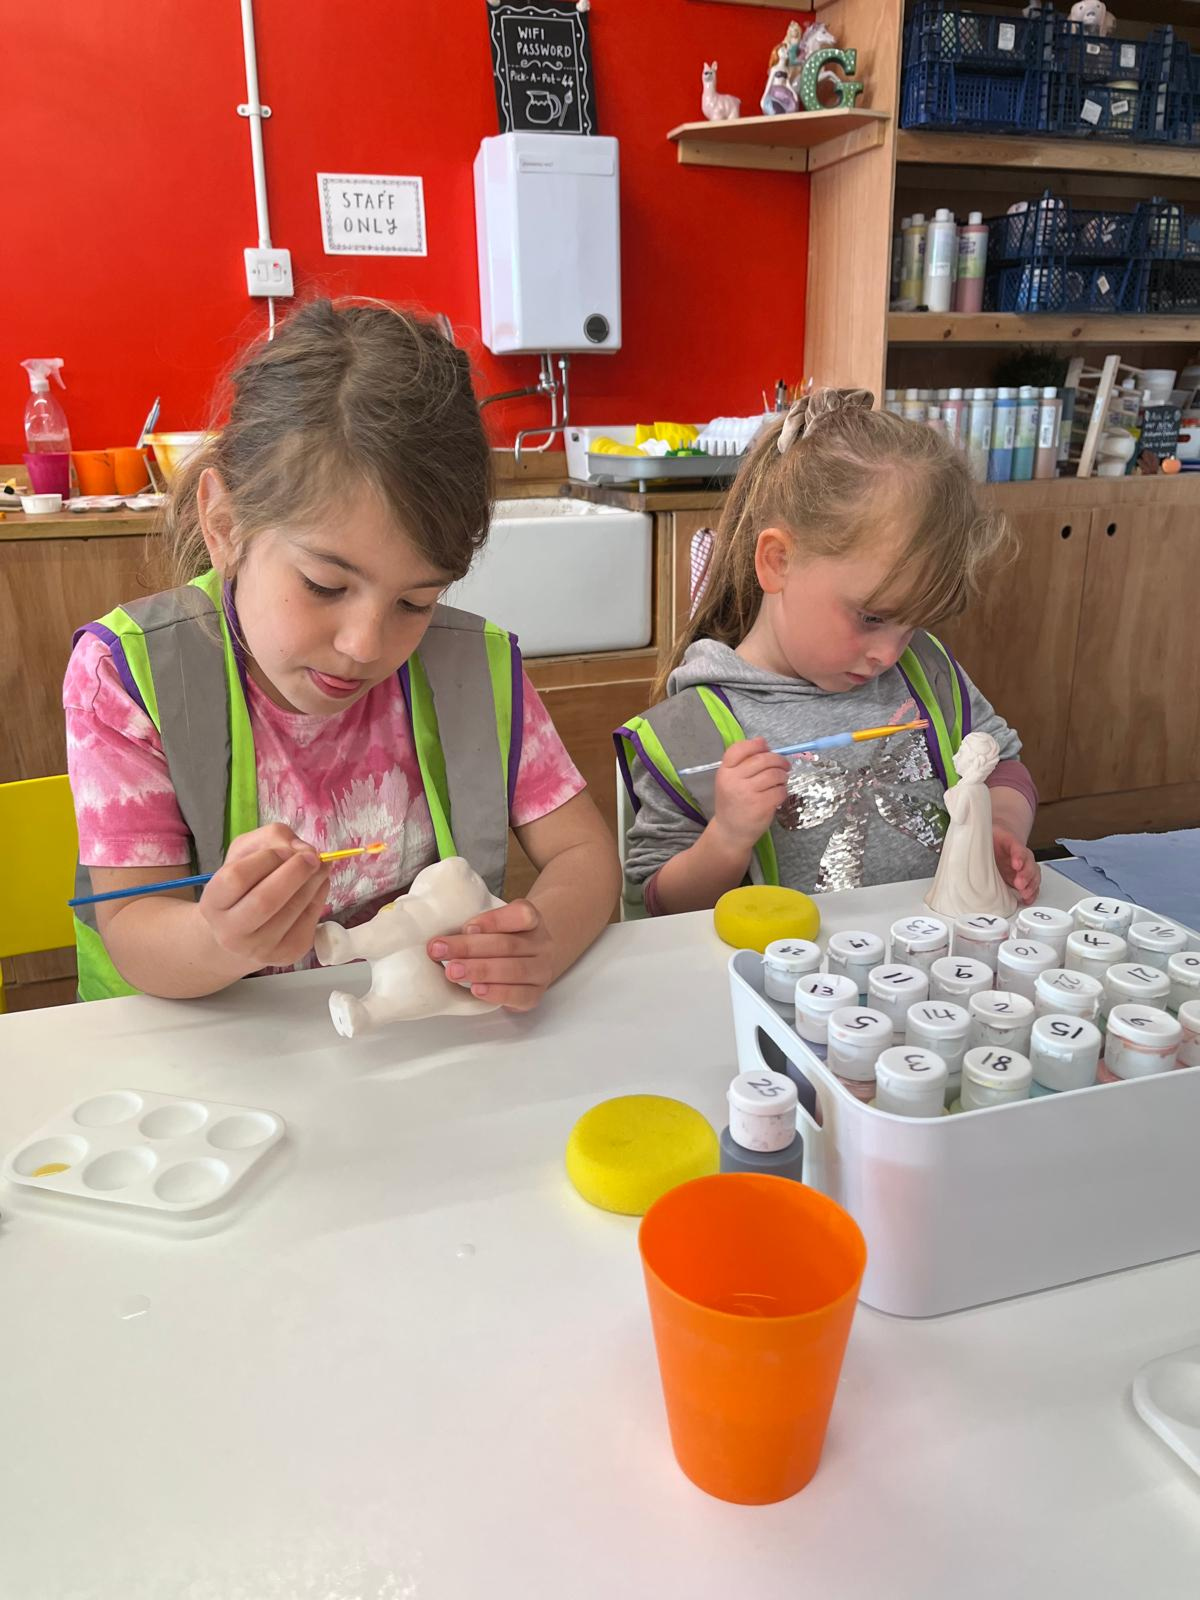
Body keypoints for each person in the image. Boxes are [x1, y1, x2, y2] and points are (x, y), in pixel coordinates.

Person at [65, 298, 619, 1005]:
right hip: (198, 1051)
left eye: (415, 603)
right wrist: (218, 938)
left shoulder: (474, 671)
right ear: (225, 525)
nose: (364, 645)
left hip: (415, 1040)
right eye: (325, 586)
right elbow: (132, 928)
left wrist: (545, 938)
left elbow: (584, 853)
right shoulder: (128, 678)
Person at [616, 388, 1040, 914]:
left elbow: (1002, 765)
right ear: (777, 562)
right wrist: (726, 839)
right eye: (872, 617)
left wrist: (1000, 827)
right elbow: (657, 905)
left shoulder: (927, 669)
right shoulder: (687, 730)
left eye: (913, 624)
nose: (888, 654)